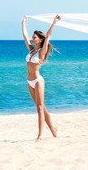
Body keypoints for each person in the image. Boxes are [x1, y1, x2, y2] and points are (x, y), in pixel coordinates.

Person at [21, 14, 61, 142]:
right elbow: (25, 36)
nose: (32, 39)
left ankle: (40, 136)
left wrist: (54, 22)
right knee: (42, 107)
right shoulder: (31, 50)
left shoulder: (41, 52)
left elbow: (48, 35)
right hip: (29, 81)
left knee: (39, 108)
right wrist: (23, 23)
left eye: (35, 38)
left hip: (38, 81)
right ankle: (53, 131)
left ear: (39, 40)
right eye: (32, 37)